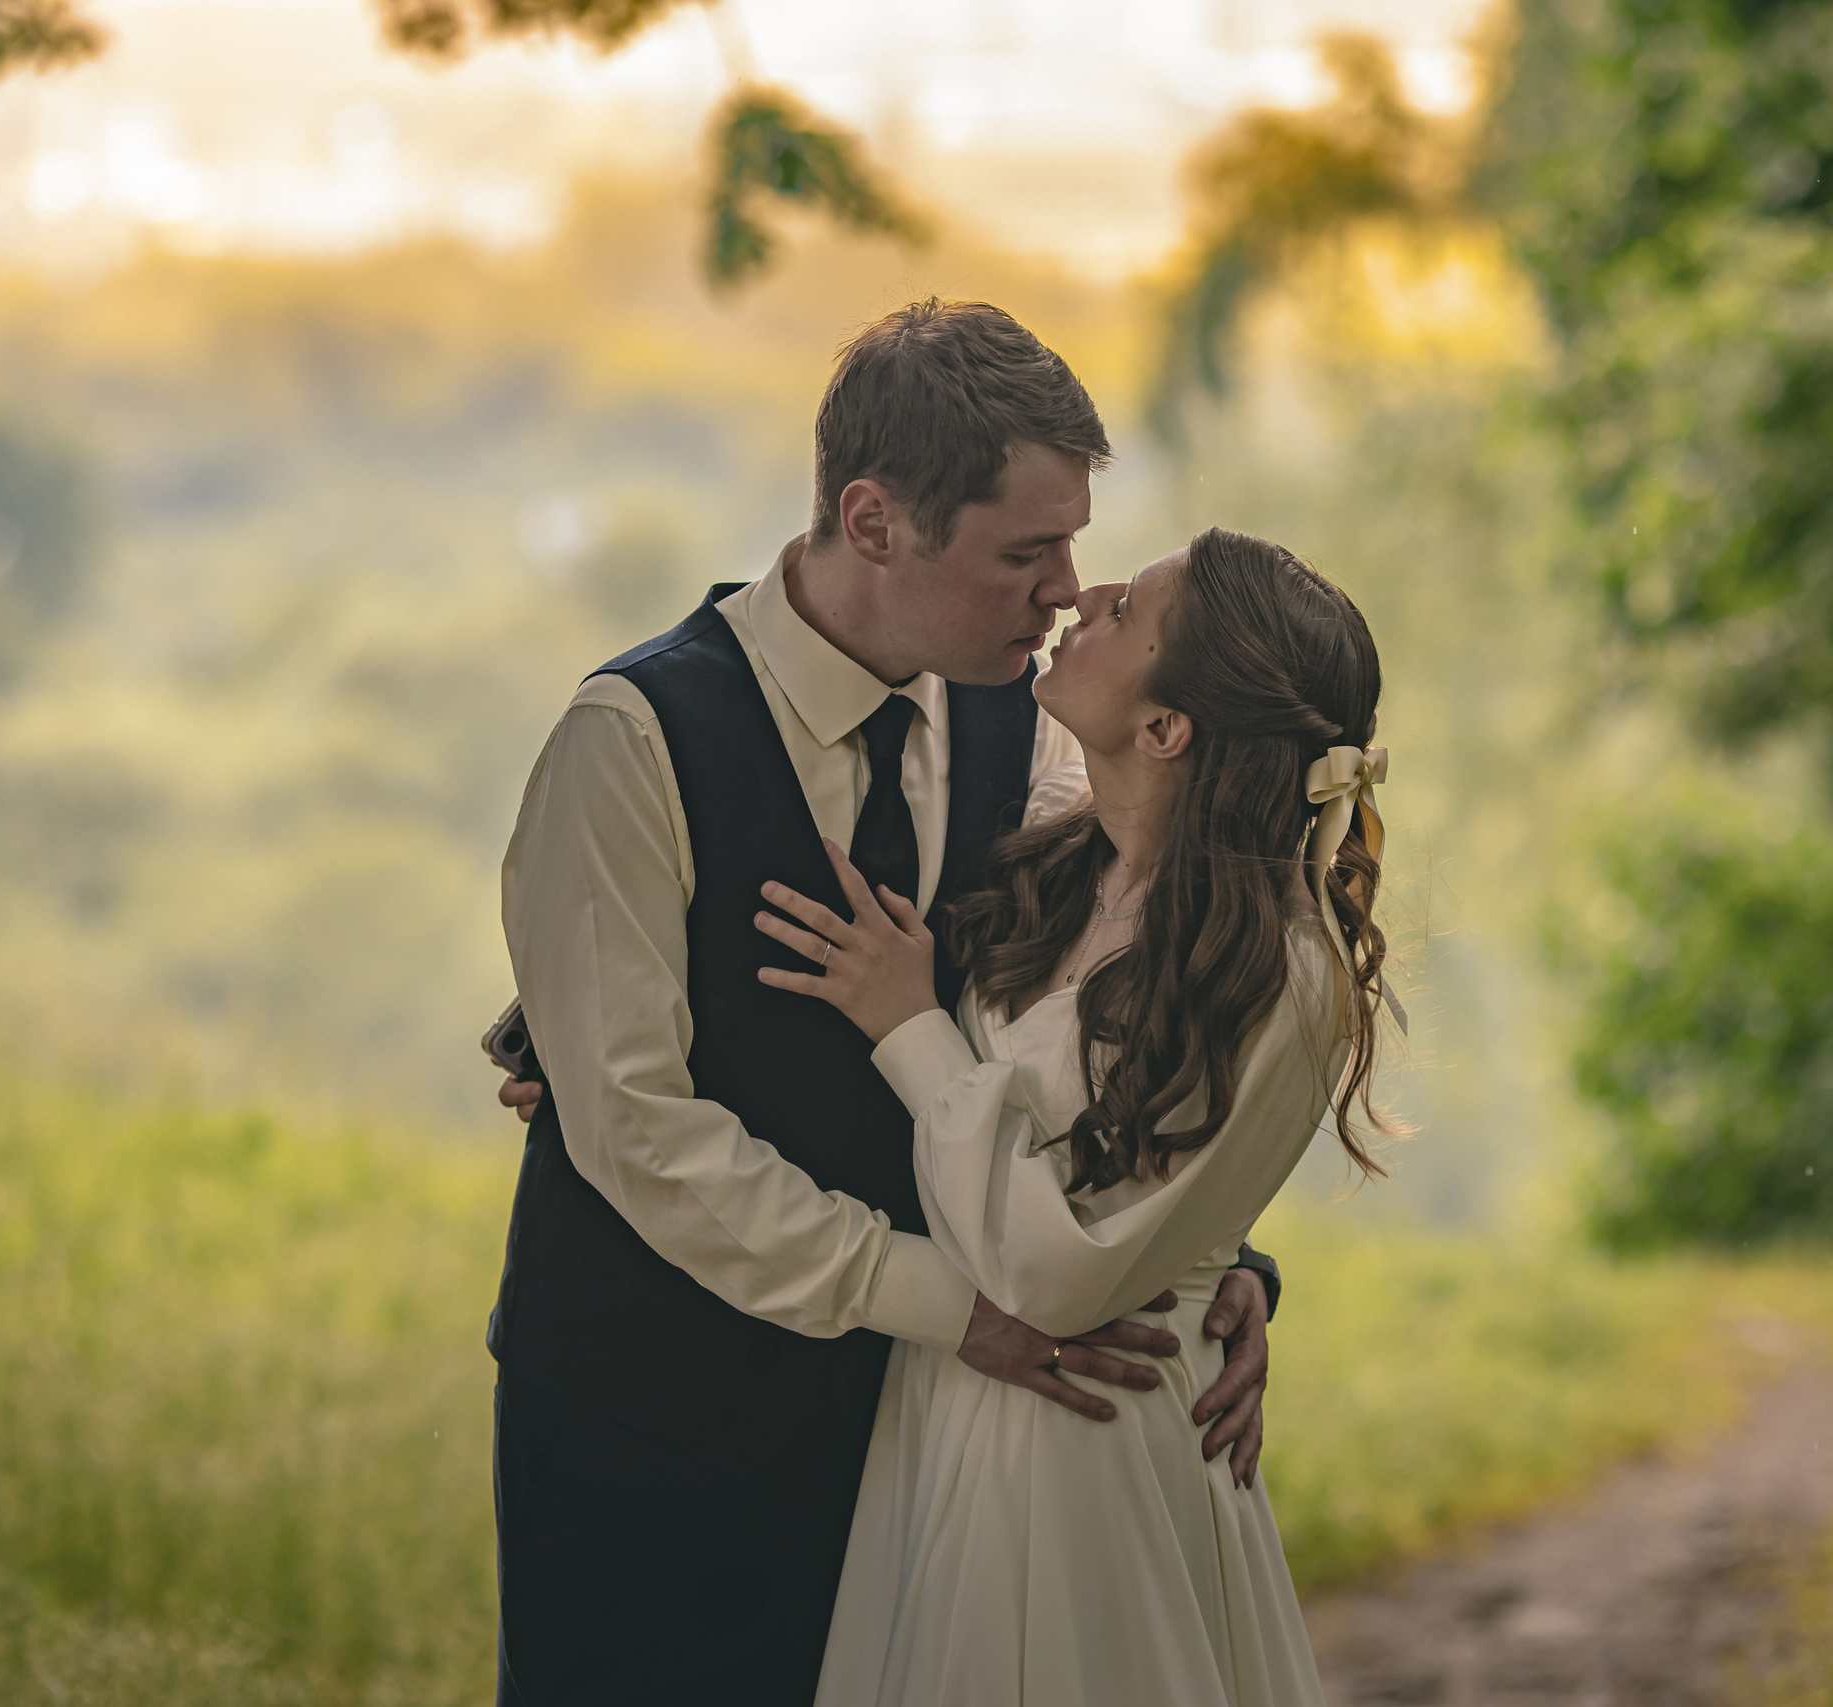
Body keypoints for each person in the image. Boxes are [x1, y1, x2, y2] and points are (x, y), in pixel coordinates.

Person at [486, 301, 1287, 1705]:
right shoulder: (629, 744)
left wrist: (1220, 1268)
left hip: (909, 1429)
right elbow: (637, 1129)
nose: (1064, 592)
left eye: (1075, 544)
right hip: (649, 1414)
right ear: (874, 521)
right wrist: (941, 1299)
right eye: (1027, 552)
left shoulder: (1029, 726)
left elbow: (1102, 1031)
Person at [752, 527, 1392, 1707]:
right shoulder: (1063, 837)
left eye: (1125, 612)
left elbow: (1057, 1273)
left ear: (1166, 730)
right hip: (946, 1414)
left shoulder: (1285, 973)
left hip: (1094, 1443)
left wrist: (909, 1027)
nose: (1083, 593)